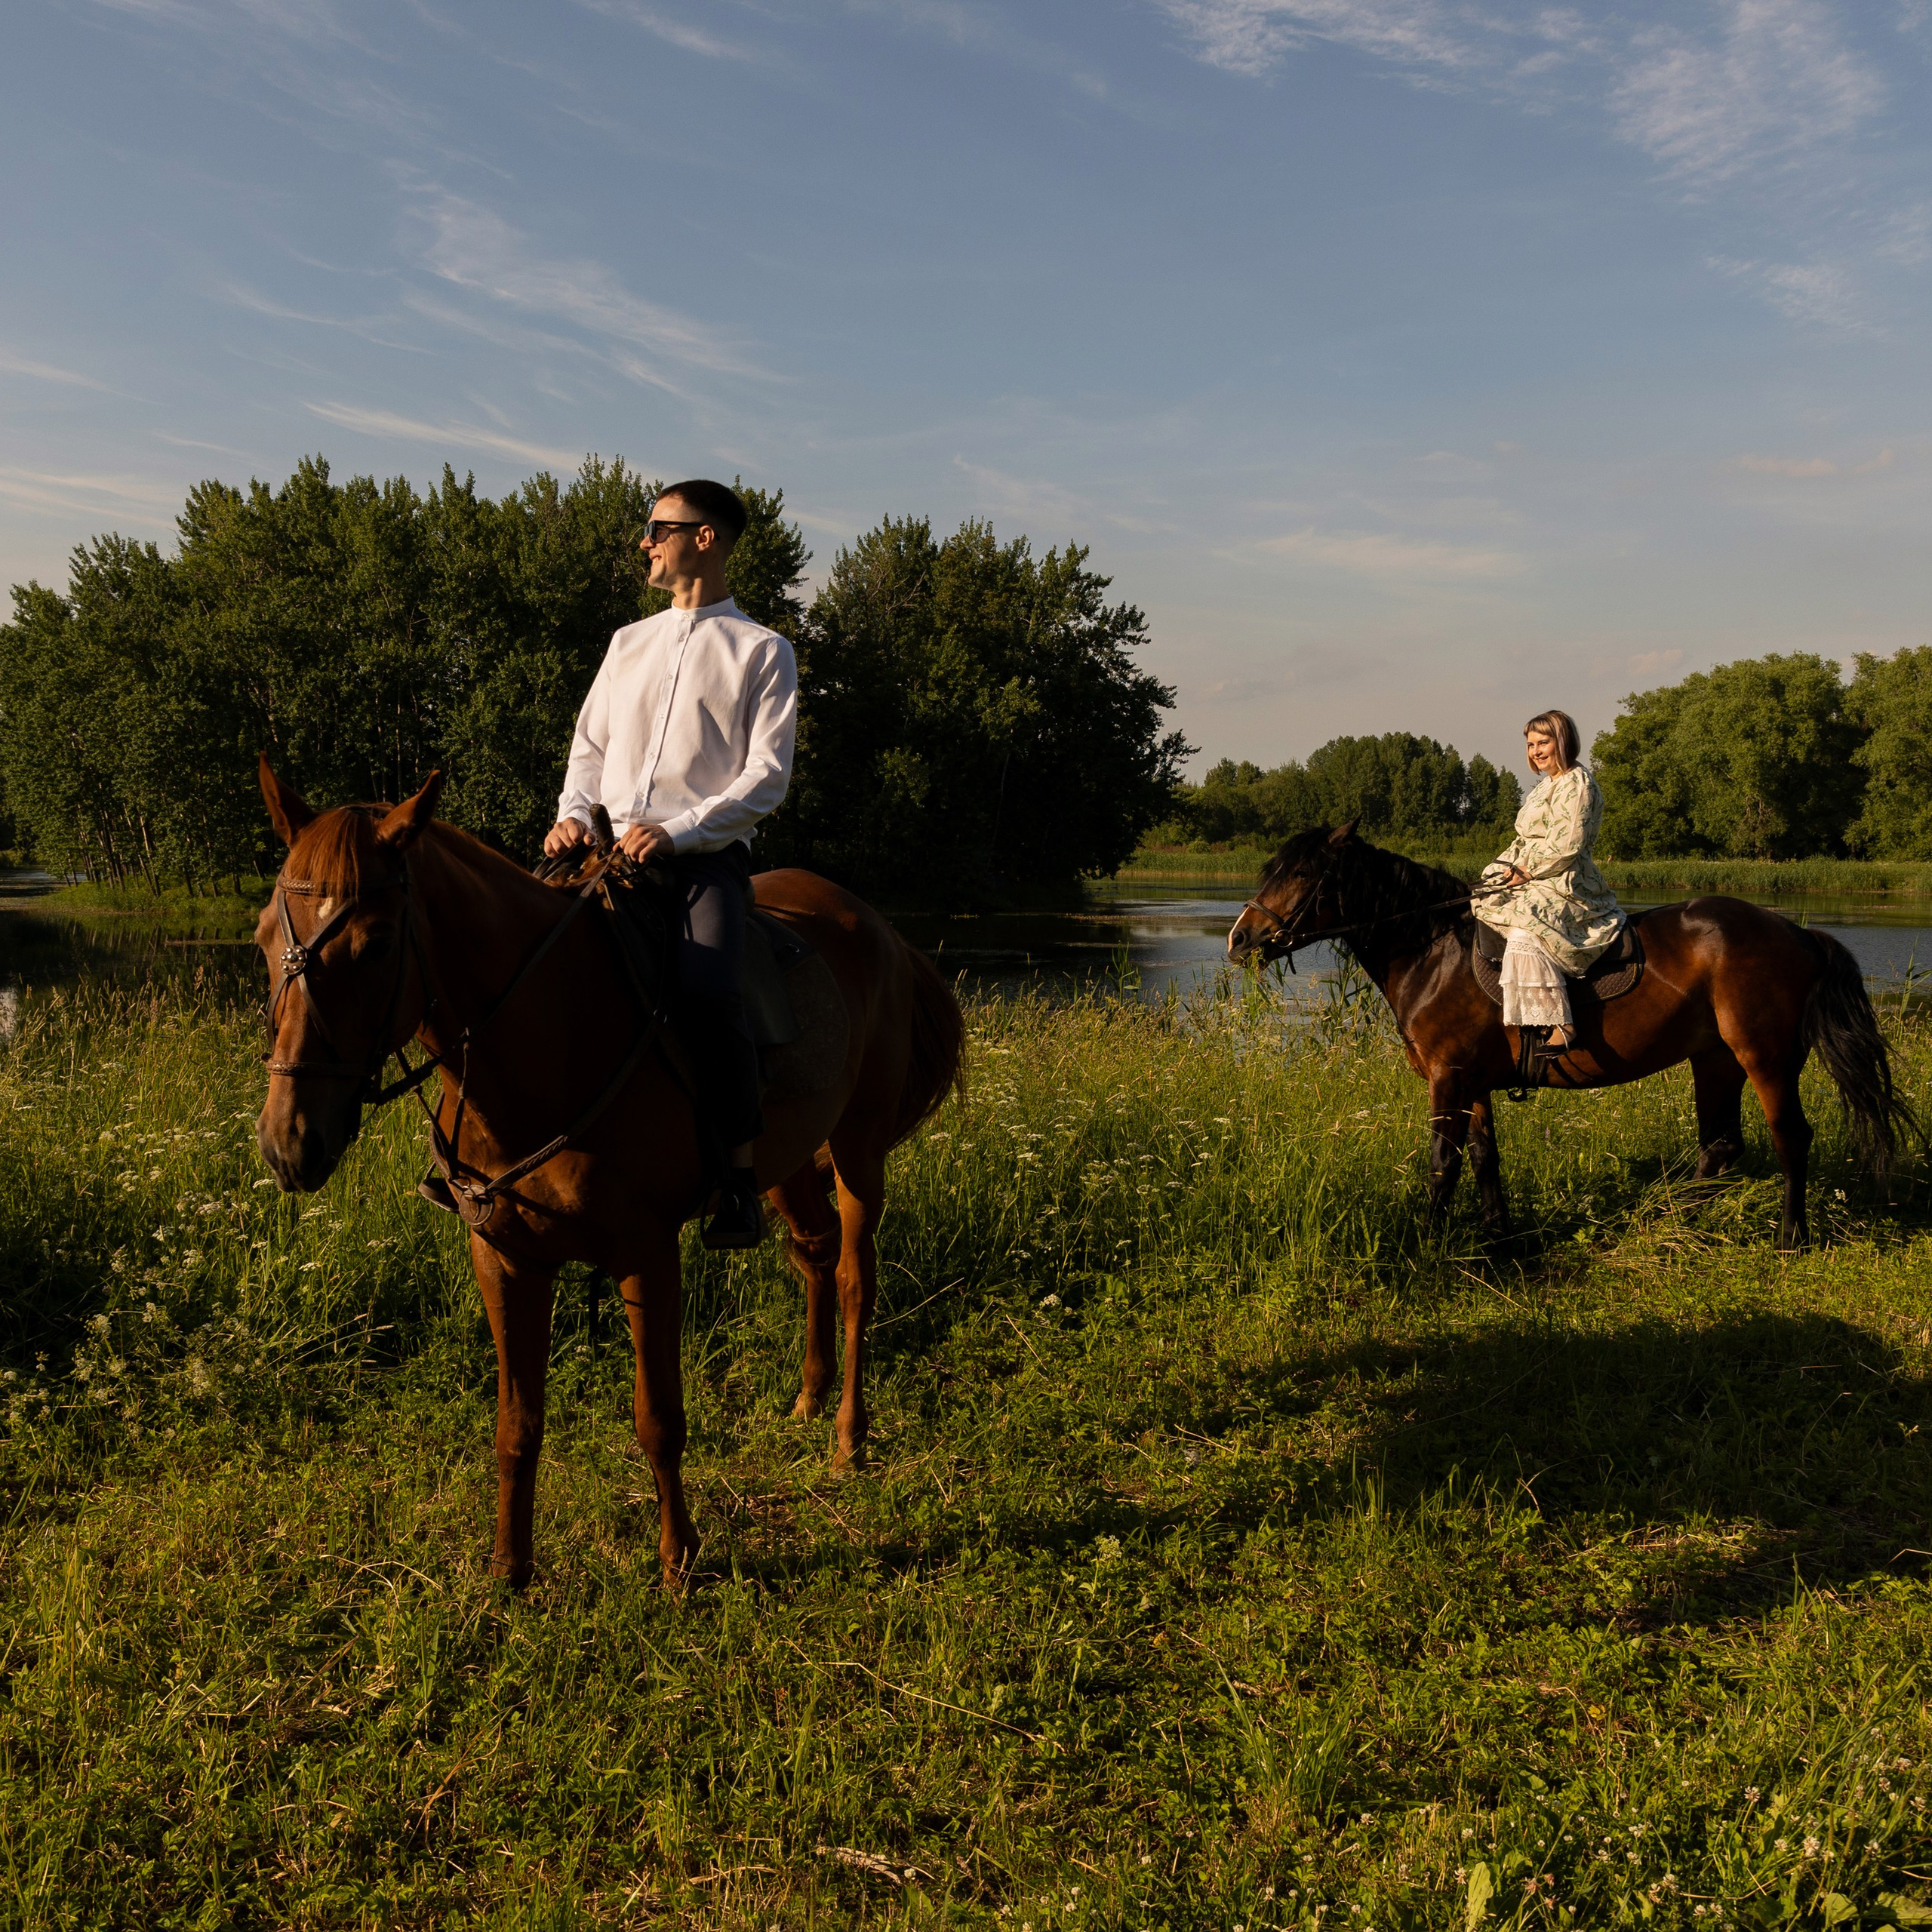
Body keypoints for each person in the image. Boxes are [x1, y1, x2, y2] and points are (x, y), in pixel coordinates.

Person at [543, 480, 796, 1249]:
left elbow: (766, 778)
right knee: (509, 964)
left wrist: (679, 831)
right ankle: (494, 1162)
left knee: (711, 990)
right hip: (597, 853)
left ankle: (737, 1181)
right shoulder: (628, 643)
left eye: (659, 527)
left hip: (700, 865)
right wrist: (569, 813)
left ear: (706, 538)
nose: (645, 541)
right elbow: (589, 748)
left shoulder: (761, 651)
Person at [1473, 709, 1624, 1061]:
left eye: (1544, 742)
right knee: (1482, 900)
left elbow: (1567, 845)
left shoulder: (1578, 784)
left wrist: (1526, 871)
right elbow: (1525, 840)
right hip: (1535, 871)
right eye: (1530, 744)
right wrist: (1499, 870)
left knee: (1527, 927)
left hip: (1567, 880)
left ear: (1564, 742)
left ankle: (1562, 1022)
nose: (1536, 751)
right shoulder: (1546, 785)